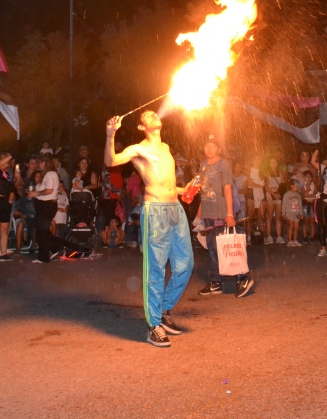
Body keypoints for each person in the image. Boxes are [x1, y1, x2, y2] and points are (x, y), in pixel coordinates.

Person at [106, 111, 194, 348]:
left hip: (175, 209)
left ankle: (163, 309)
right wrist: (110, 135)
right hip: (155, 212)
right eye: (148, 115)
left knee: (185, 265)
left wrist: (182, 190)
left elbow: (166, 182)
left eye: (155, 113)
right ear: (141, 126)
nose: (154, 115)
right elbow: (111, 161)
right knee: (155, 270)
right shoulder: (138, 149)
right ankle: (153, 325)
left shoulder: (165, 147)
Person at [194, 133, 253, 297]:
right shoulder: (203, 165)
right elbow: (204, 189)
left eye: (213, 146)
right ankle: (216, 282)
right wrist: (200, 209)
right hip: (208, 212)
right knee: (212, 248)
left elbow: (227, 188)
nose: (209, 148)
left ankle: (243, 279)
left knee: (228, 247)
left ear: (219, 148)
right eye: (206, 145)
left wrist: (229, 214)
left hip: (221, 212)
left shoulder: (223, 164)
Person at [29, 157, 61, 264]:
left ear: (45, 163)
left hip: (47, 205)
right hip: (43, 205)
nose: (39, 165)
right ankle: (55, 247)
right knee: (42, 231)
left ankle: (44, 256)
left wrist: (36, 194)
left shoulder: (50, 174)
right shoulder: (46, 175)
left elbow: (49, 190)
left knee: (42, 232)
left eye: (40, 162)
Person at [281, 179, 303, 247]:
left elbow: (300, 204)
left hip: (296, 213)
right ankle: (290, 241)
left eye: (298, 186)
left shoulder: (298, 195)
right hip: (289, 213)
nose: (297, 188)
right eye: (295, 186)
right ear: (291, 186)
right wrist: (283, 213)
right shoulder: (287, 194)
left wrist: (301, 213)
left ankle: (295, 240)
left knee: (296, 227)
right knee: (291, 226)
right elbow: (284, 204)